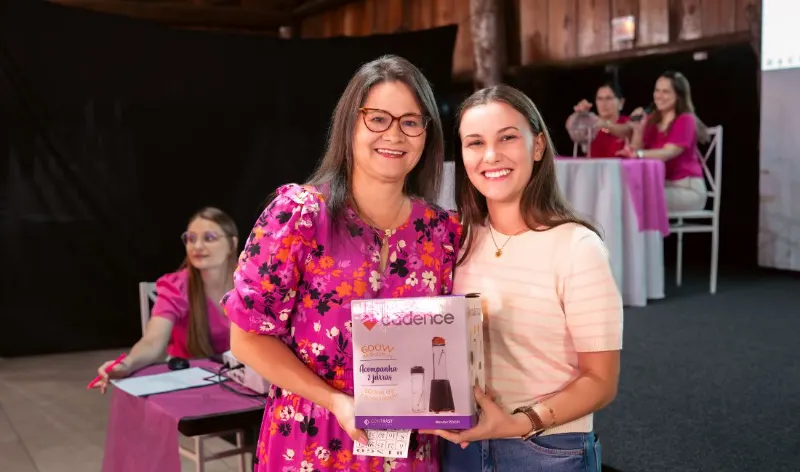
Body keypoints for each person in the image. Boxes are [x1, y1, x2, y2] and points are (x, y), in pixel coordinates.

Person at [222, 55, 461, 471]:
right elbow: (246, 339)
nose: (394, 134)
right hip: (310, 440)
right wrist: (335, 400)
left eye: (410, 121)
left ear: (427, 133)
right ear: (350, 124)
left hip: (407, 450)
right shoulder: (299, 215)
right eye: (378, 118)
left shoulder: (442, 232)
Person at [422, 85, 623, 471]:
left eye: (507, 138)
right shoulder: (455, 241)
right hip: (461, 448)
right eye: (475, 143)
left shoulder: (578, 247)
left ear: (538, 146)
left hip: (546, 447)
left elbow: (601, 381)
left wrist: (519, 423)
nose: (491, 156)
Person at [92, 207, 239, 393]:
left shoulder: (253, 282)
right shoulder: (176, 286)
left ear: (232, 244)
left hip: (244, 378)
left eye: (209, 238)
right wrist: (127, 364)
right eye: (191, 238)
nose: (197, 246)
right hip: (192, 382)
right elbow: (153, 341)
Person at [618, 70, 710, 212]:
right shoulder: (652, 121)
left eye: (665, 92)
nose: (659, 96)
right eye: (657, 90)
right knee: (622, 194)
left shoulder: (685, 119)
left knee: (638, 199)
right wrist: (638, 130)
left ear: (678, 95)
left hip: (686, 189)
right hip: (661, 185)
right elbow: (635, 152)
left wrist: (639, 154)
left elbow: (668, 152)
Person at [565, 81, 630, 158]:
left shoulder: (628, 122)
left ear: (621, 102)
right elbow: (572, 131)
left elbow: (630, 132)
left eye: (608, 98)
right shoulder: (591, 124)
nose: (603, 103)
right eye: (599, 99)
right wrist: (578, 116)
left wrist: (604, 124)